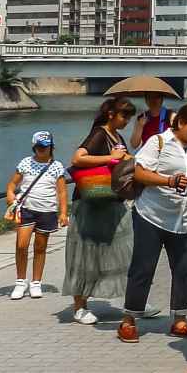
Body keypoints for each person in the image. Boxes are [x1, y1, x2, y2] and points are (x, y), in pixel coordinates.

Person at [118, 103, 187, 344]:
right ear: (179, 123)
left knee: (185, 270)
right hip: (151, 215)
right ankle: (128, 320)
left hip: (183, 219)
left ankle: (180, 319)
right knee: (143, 269)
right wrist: (169, 180)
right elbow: (139, 173)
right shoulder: (158, 142)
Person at [65, 97, 139, 326]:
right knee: (86, 255)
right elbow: (78, 158)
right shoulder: (100, 133)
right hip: (90, 205)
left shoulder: (118, 137)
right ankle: (79, 306)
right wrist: (111, 157)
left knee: (125, 250)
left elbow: (121, 162)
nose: (126, 120)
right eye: (124, 115)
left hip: (111, 203)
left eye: (129, 116)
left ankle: (135, 299)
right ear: (111, 114)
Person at [3, 131, 69, 301]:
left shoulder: (57, 166)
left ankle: (36, 282)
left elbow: (61, 192)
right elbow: (12, 184)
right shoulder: (25, 163)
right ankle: (20, 281)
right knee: (21, 245)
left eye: (45, 147)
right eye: (39, 147)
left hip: (47, 211)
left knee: (40, 248)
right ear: (34, 146)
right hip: (27, 209)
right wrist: (10, 195)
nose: (42, 150)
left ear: (51, 147)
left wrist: (63, 213)